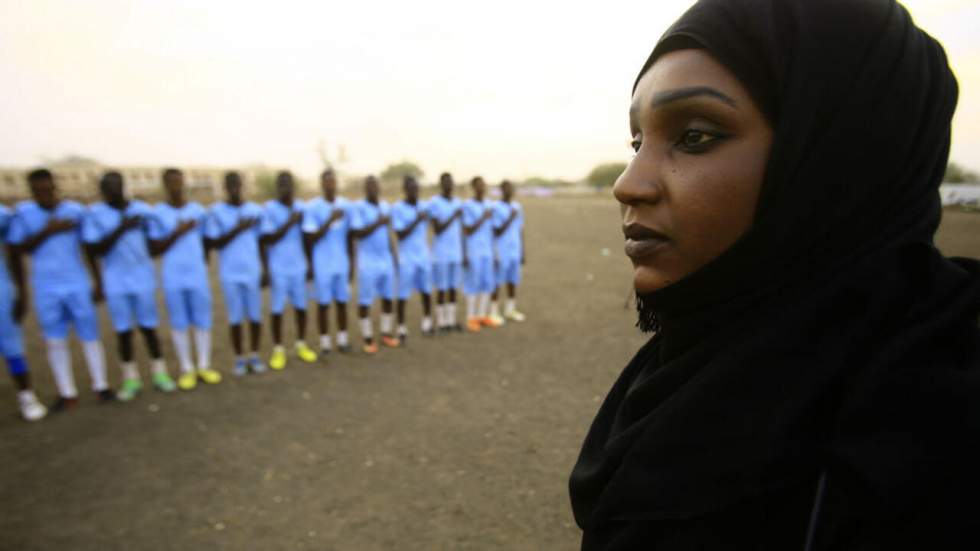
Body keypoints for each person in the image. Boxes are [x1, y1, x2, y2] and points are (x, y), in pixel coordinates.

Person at [568, 0, 980, 549]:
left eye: (694, 135)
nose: (628, 183)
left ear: (837, 155)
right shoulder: (689, 367)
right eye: (637, 142)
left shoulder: (929, 428)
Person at [7, 169, 114, 410]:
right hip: (46, 286)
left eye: (47, 189)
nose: (44, 194)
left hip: (76, 282)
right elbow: (16, 250)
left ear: (55, 187)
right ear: (31, 191)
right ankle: (67, 392)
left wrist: (98, 280)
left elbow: (88, 248)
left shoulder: (74, 211)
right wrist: (48, 231)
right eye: (38, 191)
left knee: (90, 335)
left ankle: (101, 385)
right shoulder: (24, 214)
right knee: (55, 340)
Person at [83, 171, 176, 401]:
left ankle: (160, 373)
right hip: (115, 282)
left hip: (143, 279)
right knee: (123, 331)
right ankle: (130, 378)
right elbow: (94, 250)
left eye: (117, 185)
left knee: (149, 328)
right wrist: (121, 228)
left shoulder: (142, 211)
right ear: (102, 190)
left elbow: (154, 247)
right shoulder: (95, 214)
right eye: (108, 187)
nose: (114, 190)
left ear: (124, 186)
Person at [148, 168, 221, 390]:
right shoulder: (158, 213)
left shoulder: (198, 211)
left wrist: (202, 262)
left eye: (178, 181)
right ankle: (186, 369)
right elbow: (154, 248)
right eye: (170, 182)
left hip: (197, 275)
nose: (175, 186)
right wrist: (177, 232)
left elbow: (207, 241)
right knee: (179, 323)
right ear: (164, 184)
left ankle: (204, 365)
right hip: (172, 277)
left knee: (202, 321)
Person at [205, 171, 267, 376]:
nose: (234, 187)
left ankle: (255, 355)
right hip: (229, 273)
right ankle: (239, 359)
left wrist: (264, 268)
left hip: (252, 271)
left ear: (242, 185)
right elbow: (214, 243)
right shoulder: (216, 212)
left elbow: (261, 242)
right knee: (235, 318)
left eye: (237, 183)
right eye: (229, 184)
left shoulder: (255, 210)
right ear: (225, 187)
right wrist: (238, 228)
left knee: (255, 316)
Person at [260, 170, 317, 369]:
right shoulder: (269, 208)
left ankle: (301, 344)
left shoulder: (302, 207)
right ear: (277, 187)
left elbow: (308, 239)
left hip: (299, 266)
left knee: (301, 307)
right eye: (282, 184)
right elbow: (267, 238)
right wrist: (290, 222)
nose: (286, 188)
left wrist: (310, 265)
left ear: (294, 187)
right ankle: (278, 350)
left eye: (289, 184)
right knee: (277, 309)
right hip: (278, 268)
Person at [0, 202, 47, 421]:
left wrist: (21, 290)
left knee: (12, 348)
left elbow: (14, 252)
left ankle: (26, 395)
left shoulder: (4, 216)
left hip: (1, 292)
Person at [302, 168, 354, 356]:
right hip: (322, 265)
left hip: (341, 263)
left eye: (333, 181)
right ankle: (325, 343)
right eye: (327, 182)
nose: (331, 185)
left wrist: (351, 265)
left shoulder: (345, 206)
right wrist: (329, 220)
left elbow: (349, 238)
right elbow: (310, 238)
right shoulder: (313, 207)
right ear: (321, 184)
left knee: (342, 303)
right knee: (323, 304)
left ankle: (342, 340)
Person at [350, 175, 399, 353]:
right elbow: (357, 233)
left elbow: (387, 234)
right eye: (369, 186)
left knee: (387, 298)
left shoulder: (385, 206)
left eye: (375, 186)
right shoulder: (359, 208)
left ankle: (386, 333)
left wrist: (394, 256)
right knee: (365, 301)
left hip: (385, 260)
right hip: (368, 262)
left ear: (379, 188)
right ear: (365, 189)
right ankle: (368, 338)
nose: (372, 189)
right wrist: (377, 222)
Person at [392, 175, 434, 343]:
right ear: (405, 190)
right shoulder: (398, 208)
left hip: (423, 256)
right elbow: (400, 234)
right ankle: (401, 328)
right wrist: (417, 219)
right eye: (411, 189)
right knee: (403, 294)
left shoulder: (424, 206)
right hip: (406, 258)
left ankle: (427, 323)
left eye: (417, 189)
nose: (414, 191)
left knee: (426, 291)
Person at [427, 172, 464, 332]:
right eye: (446, 182)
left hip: (455, 252)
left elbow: (460, 230)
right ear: (441, 184)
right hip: (441, 253)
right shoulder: (434, 203)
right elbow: (437, 229)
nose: (449, 185)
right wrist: (453, 216)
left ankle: (451, 320)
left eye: (451, 182)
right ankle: (442, 322)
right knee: (441, 288)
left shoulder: (457, 202)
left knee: (453, 287)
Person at [461, 176, 498, 332]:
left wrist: (495, 253)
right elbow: (467, 230)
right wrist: (483, 217)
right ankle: (471, 317)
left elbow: (492, 231)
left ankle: (483, 315)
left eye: (483, 185)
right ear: (473, 188)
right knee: (472, 283)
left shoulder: (490, 204)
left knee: (486, 282)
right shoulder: (468, 206)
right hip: (473, 250)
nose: (482, 188)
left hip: (487, 250)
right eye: (478, 186)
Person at [489, 179, 526, 324]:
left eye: (511, 188)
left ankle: (510, 309)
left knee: (512, 280)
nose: (509, 191)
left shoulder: (517, 207)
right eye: (506, 189)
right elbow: (496, 231)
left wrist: (523, 251)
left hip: (514, 250)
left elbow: (520, 230)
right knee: (497, 281)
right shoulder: (495, 207)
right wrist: (510, 218)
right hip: (501, 250)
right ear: (501, 190)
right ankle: (493, 311)